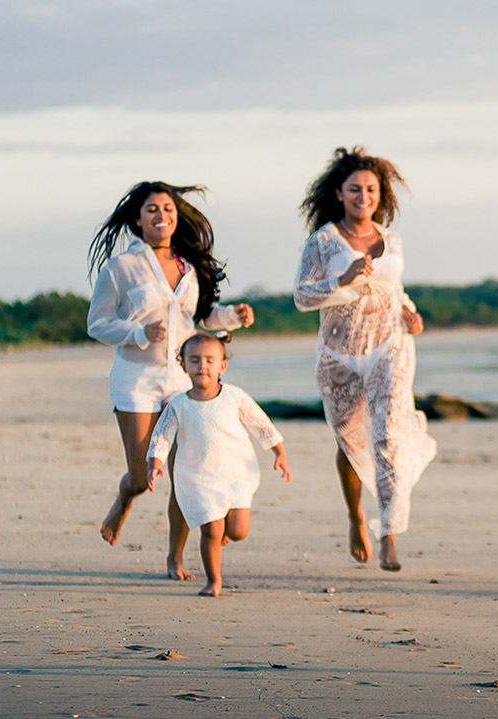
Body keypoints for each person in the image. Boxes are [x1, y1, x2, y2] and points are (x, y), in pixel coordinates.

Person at [86, 181, 254, 580]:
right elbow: (97, 323)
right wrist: (137, 334)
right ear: (137, 220)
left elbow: (198, 320)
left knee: (185, 478)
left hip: (181, 382)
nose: (161, 216)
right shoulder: (121, 269)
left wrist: (232, 318)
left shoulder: (188, 269)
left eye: (168, 209)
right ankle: (124, 498)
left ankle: (174, 558)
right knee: (144, 477)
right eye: (152, 210)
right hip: (136, 381)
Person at [294, 146, 436, 572]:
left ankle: (389, 532)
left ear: (380, 193)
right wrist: (343, 278)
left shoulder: (391, 239)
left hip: (389, 346)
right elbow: (302, 296)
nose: (363, 196)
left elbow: (394, 288)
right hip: (339, 355)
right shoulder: (322, 241)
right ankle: (356, 514)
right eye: (355, 189)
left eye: (371, 189)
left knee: (387, 437)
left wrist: (409, 310)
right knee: (351, 442)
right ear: (339, 192)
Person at [146, 333, 291, 596]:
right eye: (195, 360)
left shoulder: (234, 397)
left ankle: (222, 530)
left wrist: (278, 452)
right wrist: (155, 463)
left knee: (238, 531)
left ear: (222, 365)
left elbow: (260, 424)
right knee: (211, 531)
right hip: (198, 477)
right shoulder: (178, 404)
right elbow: (162, 436)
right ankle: (214, 580)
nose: (202, 366)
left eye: (210, 360)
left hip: (235, 474)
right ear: (183, 366)